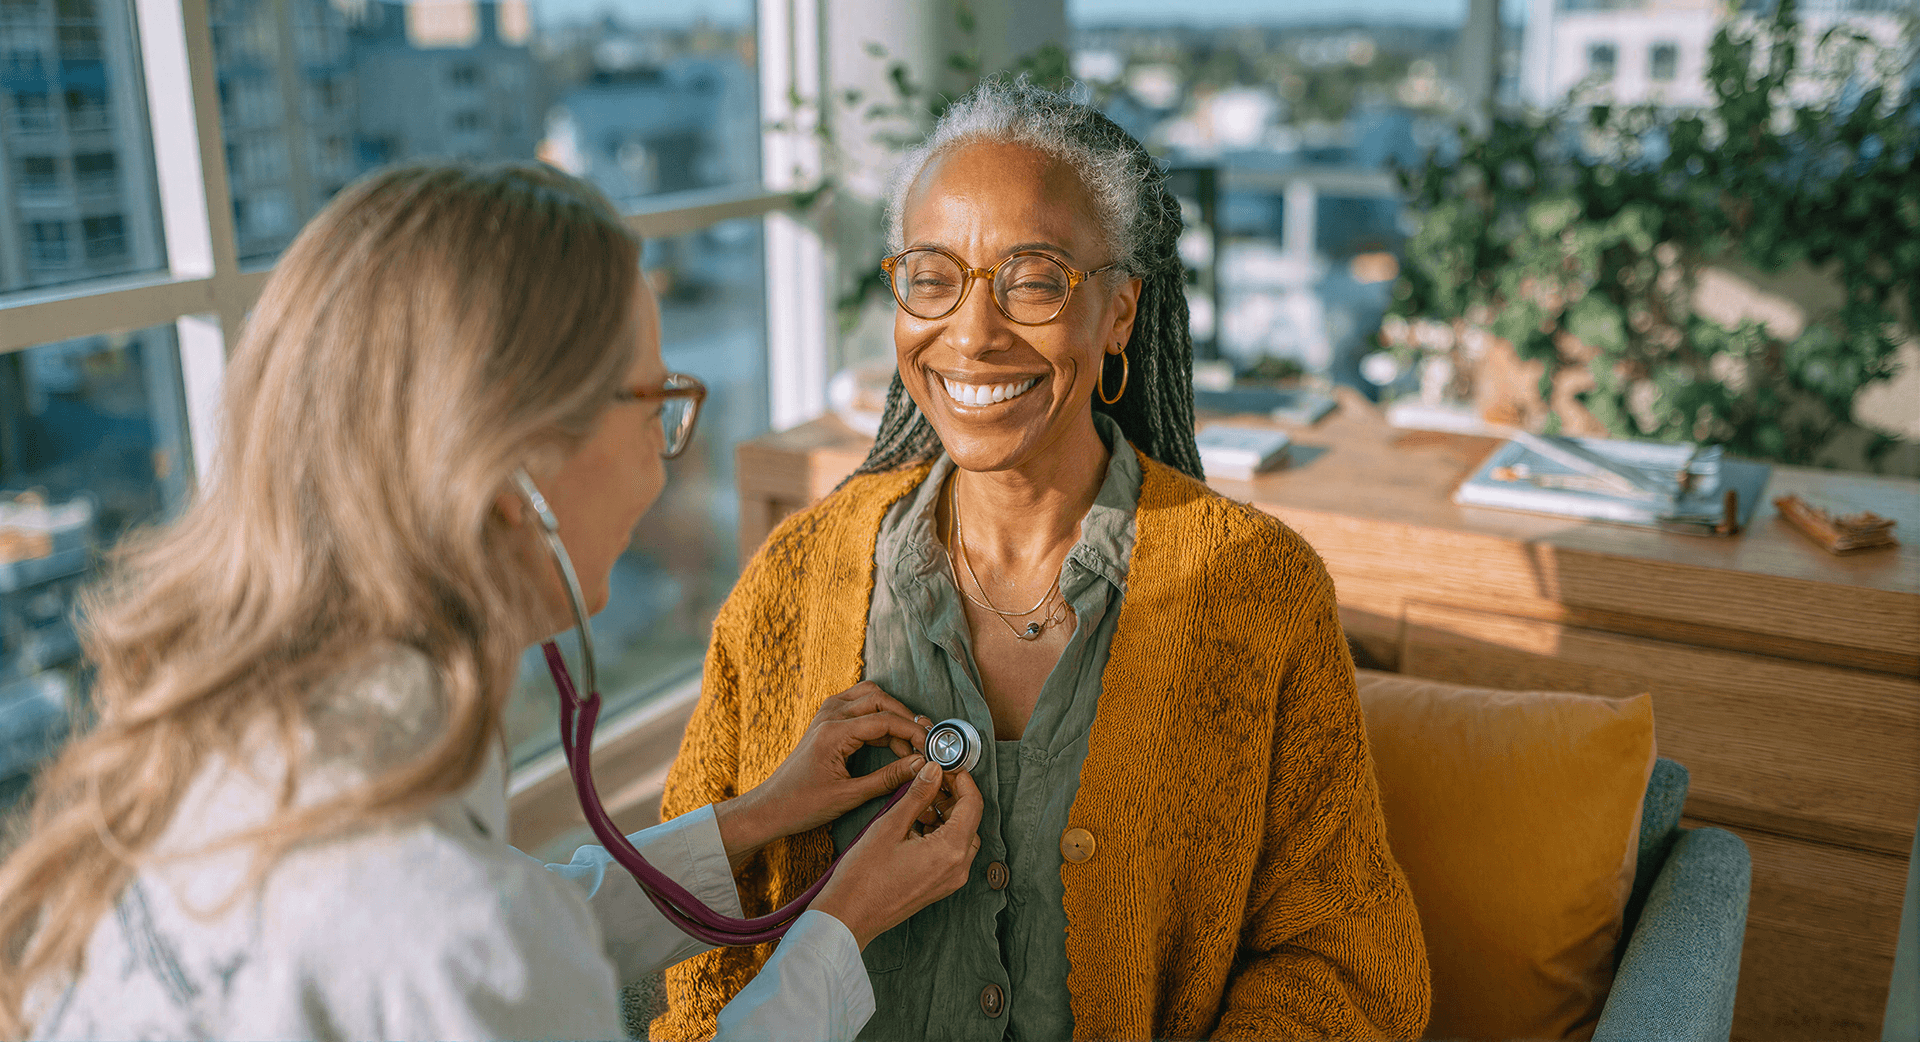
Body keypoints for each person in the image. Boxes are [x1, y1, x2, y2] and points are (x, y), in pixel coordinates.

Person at [0, 163, 983, 1041]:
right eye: (653, 401)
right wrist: (839, 930)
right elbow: (484, 950)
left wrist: (754, 820)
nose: (663, 450)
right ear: (514, 465)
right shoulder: (449, 925)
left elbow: (508, 922)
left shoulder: (237, 725)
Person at [654, 78, 1432, 1041]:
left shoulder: (1257, 591)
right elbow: (693, 938)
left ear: (1118, 314)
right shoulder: (795, 577)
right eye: (933, 276)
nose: (973, 333)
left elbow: (1341, 958)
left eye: (1033, 279)